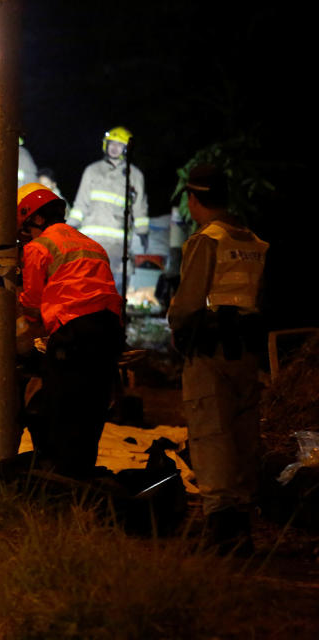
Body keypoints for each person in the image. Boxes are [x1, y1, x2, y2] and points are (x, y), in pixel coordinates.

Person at [167, 164, 267, 553]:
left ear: (194, 199)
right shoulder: (254, 241)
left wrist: (177, 328)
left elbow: (188, 304)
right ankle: (242, 524)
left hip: (208, 350)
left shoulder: (207, 239)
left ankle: (221, 528)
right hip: (245, 350)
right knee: (243, 434)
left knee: (211, 433)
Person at [17, 183, 124, 478]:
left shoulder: (38, 247)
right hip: (108, 332)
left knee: (62, 410)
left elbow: (32, 304)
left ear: (31, 220)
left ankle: (63, 483)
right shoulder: (91, 244)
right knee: (93, 410)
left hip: (73, 334)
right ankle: (83, 479)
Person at [67, 126, 149, 290]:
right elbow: (81, 203)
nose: (114, 148)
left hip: (117, 243)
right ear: (106, 144)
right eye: (112, 143)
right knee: (87, 284)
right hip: (90, 240)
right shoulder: (92, 170)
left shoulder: (135, 175)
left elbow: (139, 206)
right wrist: (70, 226)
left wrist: (143, 232)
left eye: (119, 144)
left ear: (126, 148)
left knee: (112, 287)